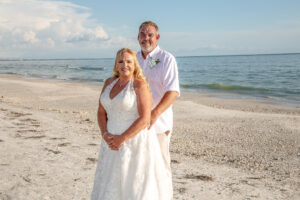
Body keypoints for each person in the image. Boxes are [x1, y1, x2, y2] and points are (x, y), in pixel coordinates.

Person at [91, 48, 172, 200]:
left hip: (133, 141)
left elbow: (145, 118)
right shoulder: (109, 82)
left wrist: (122, 138)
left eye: (129, 61)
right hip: (109, 142)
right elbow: (101, 111)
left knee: (133, 184)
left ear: (135, 64)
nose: (124, 65)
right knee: (110, 182)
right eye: (121, 61)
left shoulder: (140, 85)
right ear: (116, 64)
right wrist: (104, 133)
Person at [137, 21, 180, 180]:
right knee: (141, 168)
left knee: (161, 167)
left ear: (157, 37)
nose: (146, 38)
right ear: (138, 36)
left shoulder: (167, 59)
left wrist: (154, 114)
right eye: (142, 34)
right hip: (135, 123)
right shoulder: (133, 59)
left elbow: (173, 91)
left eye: (150, 35)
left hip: (159, 124)